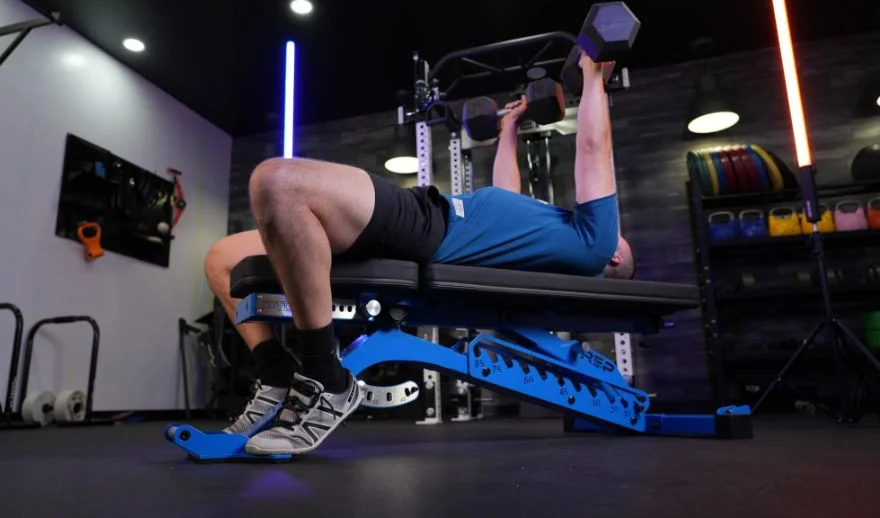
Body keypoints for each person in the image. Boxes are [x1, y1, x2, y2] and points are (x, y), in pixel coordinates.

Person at [202, 53, 634, 455]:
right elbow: (506, 192)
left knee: (277, 181)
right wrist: (510, 127)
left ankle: (326, 378)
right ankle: (275, 371)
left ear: (614, 259)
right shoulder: (547, 230)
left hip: (429, 225)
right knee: (223, 259)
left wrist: (594, 75)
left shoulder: (593, 245)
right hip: (426, 220)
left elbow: (596, 151)